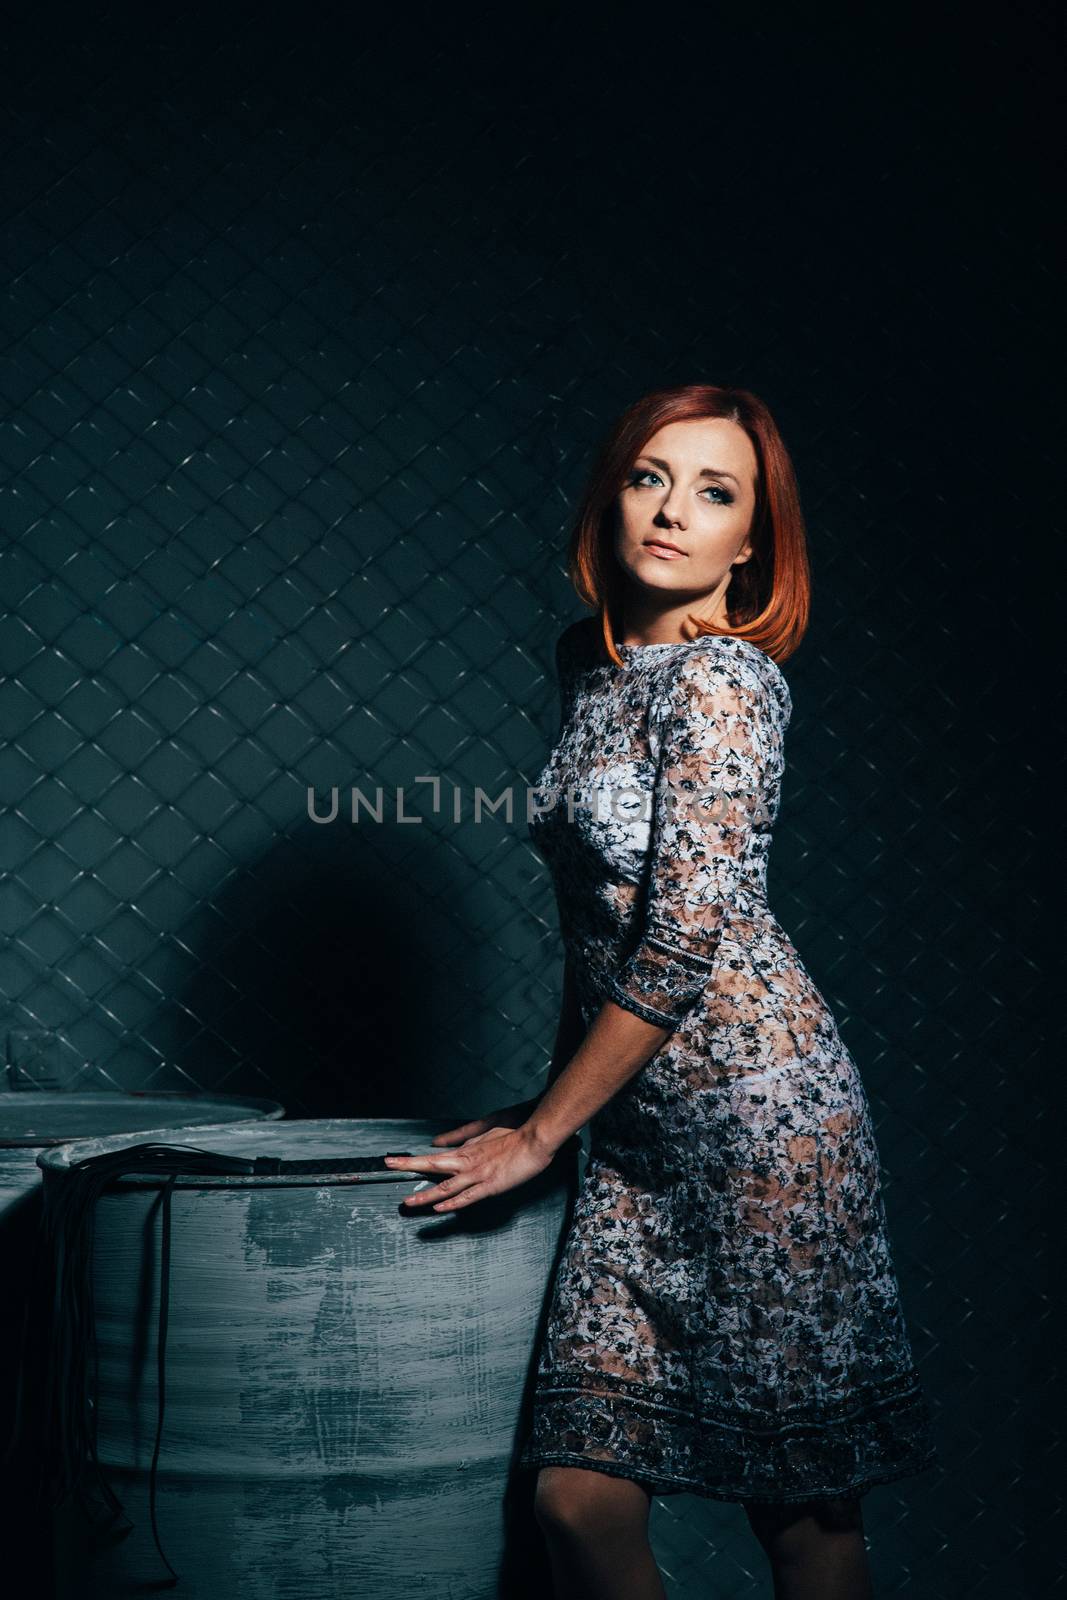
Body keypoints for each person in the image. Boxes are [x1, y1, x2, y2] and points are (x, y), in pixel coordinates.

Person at [383, 383, 939, 1599]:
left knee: (801, 1520)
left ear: (752, 543)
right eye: (648, 475)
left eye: (715, 491)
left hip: (763, 1128)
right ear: (609, 496)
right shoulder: (593, 671)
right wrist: (553, 1103)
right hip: (634, 1144)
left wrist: (543, 1132)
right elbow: (596, 928)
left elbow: (685, 937)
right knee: (576, 1503)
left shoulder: (726, 682)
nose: (673, 509)